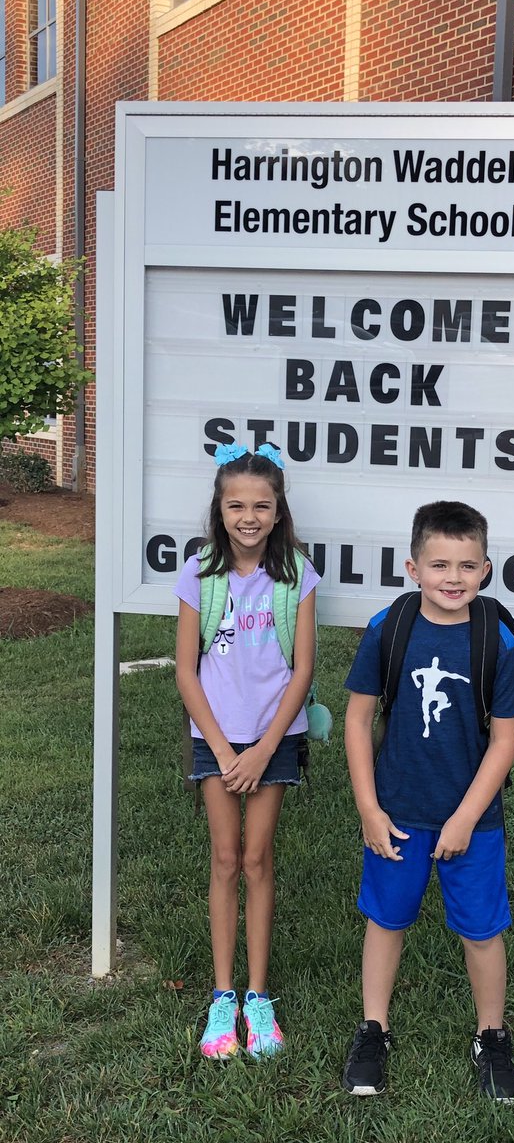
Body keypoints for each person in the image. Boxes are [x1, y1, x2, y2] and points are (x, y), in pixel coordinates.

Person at [341, 501, 514, 1101]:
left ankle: (491, 1036)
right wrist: (369, 808)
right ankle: (374, 1030)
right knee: (386, 920)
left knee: (481, 931)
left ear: (486, 569)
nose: (453, 577)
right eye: (439, 564)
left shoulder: (495, 639)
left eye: (467, 566)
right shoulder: (387, 630)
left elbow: (504, 739)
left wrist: (467, 817)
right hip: (397, 811)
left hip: (473, 819)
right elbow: (359, 718)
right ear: (412, 567)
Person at [175, 441, 319, 1061]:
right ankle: (222, 995)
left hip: (273, 738)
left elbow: (303, 670)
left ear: (280, 511)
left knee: (259, 861)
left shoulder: (297, 576)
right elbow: (186, 670)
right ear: (220, 508)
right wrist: (220, 746)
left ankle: (258, 999)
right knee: (225, 859)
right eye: (237, 505)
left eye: (262, 505)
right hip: (214, 737)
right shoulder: (198, 574)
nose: (249, 516)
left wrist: (262, 751)